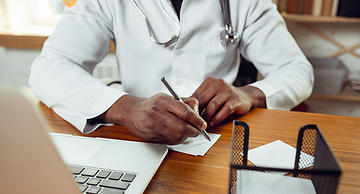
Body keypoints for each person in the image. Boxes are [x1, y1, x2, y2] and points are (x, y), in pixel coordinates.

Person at [29, 0, 314, 145]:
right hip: (130, 140)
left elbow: (297, 70)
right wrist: (125, 108)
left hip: (215, 139)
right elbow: (49, 66)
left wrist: (247, 93)